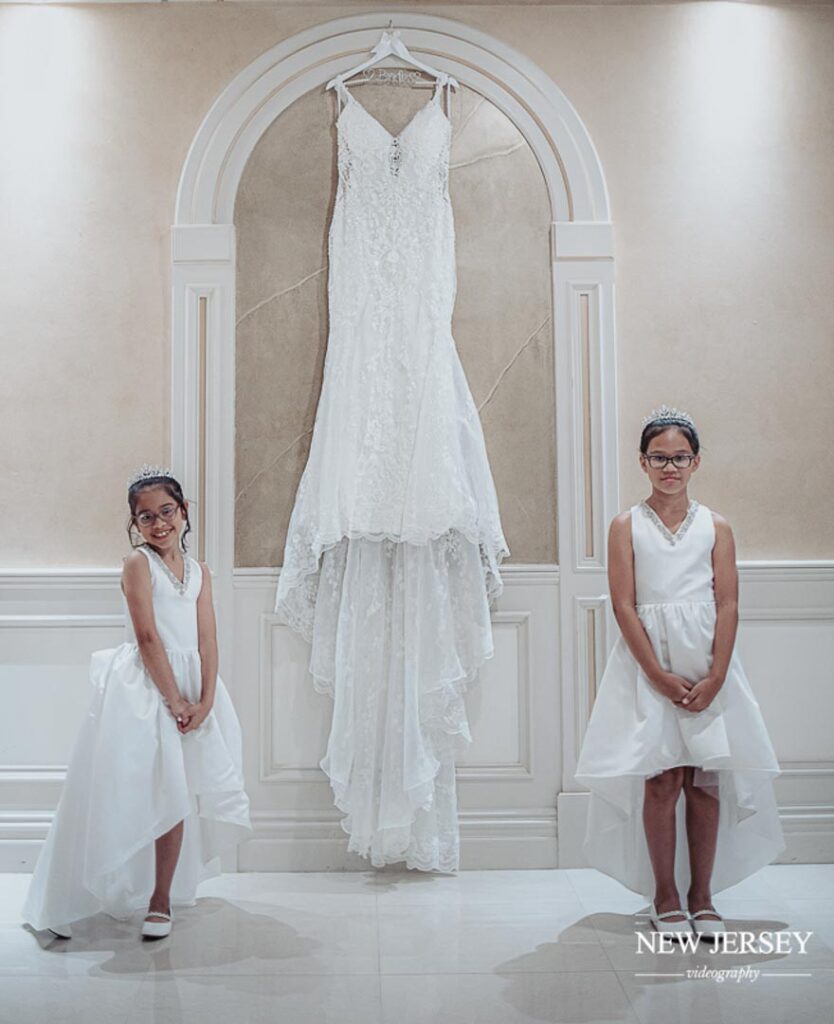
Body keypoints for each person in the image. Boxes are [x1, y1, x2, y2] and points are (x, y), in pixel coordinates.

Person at [575, 407, 785, 941]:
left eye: (681, 458)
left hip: (708, 662)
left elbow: (729, 602)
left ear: (695, 462)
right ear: (644, 463)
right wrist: (657, 675)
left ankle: (703, 896)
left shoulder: (716, 526)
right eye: (660, 458)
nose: (671, 467)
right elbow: (624, 604)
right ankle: (665, 896)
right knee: (663, 777)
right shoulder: (626, 525)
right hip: (649, 666)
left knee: (707, 779)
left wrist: (715, 676)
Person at [22, 465, 251, 940]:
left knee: (177, 792)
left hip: (191, 691)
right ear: (135, 524)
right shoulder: (137, 565)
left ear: (184, 511)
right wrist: (175, 700)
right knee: (120, 789)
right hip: (146, 690)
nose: (158, 523)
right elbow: (147, 636)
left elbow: (208, 640)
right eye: (145, 517)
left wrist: (205, 700)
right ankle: (71, 893)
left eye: (166, 511)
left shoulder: (200, 572)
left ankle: (160, 899)